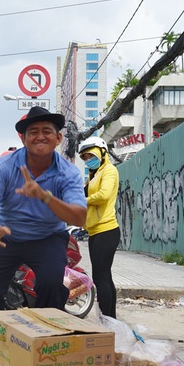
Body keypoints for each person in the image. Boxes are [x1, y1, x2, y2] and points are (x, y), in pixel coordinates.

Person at [0, 106, 87, 324]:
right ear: (24, 139)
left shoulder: (68, 172)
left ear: (58, 138)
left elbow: (79, 218)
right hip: (7, 237)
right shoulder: (5, 165)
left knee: (54, 284)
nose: (40, 136)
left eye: (47, 131)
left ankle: (46, 334)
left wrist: (45, 197)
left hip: (48, 238)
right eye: (33, 132)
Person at [78, 136, 120, 319]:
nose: (88, 160)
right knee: (104, 277)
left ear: (102, 153)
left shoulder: (109, 171)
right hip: (95, 231)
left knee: (101, 277)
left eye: (90, 155)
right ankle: (110, 320)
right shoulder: (93, 176)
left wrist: (82, 200)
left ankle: (107, 320)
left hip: (106, 229)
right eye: (85, 157)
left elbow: (104, 195)